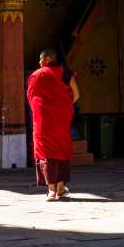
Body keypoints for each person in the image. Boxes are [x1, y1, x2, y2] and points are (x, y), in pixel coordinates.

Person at [27, 48, 75, 201]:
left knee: (46, 150)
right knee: (61, 148)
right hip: (61, 119)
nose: (39, 62)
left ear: (47, 59)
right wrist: (63, 105)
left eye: (40, 59)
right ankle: (60, 187)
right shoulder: (66, 74)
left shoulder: (36, 75)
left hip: (44, 120)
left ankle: (51, 190)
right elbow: (76, 94)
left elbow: (32, 97)